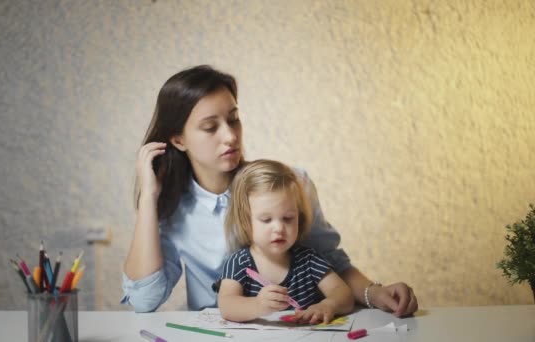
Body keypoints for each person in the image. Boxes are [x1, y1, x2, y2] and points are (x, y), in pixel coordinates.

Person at [122, 65, 418, 316]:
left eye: (234, 119)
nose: (230, 136)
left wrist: (375, 294)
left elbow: (332, 261)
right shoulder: (174, 208)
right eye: (211, 127)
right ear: (178, 140)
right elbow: (144, 301)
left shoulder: (291, 184)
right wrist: (149, 198)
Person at [217, 159, 354, 324]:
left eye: (288, 218)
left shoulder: (308, 260)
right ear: (245, 221)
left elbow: (343, 293)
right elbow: (226, 305)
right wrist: (257, 305)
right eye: (266, 220)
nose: (279, 228)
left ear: (299, 217)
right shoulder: (239, 263)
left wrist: (328, 305)